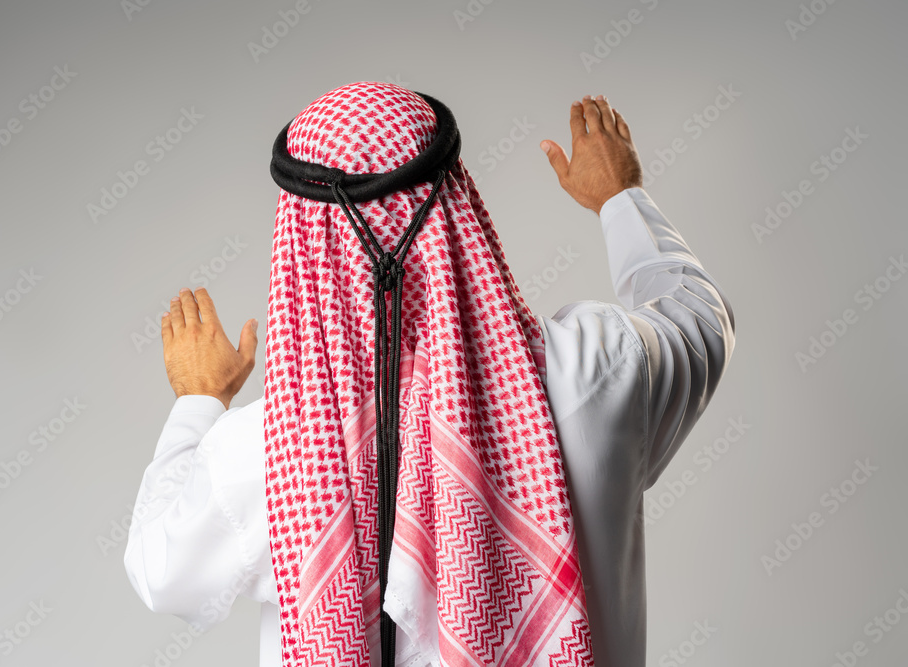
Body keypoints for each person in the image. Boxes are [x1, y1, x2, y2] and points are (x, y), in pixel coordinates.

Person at [124, 83, 736, 667]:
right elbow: (699, 319)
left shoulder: (272, 452)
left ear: (301, 237)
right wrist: (620, 198)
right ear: (455, 197)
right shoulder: (597, 368)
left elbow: (160, 570)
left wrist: (200, 401)